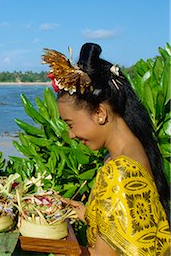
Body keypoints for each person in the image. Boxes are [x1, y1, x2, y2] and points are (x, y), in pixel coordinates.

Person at [42, 42, 170, 255]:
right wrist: (87, 213)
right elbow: (126, 218)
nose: (71, 135)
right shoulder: (131, 152)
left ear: (100, 113)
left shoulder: (119, 171)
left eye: (70, 124)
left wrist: (62, 231)